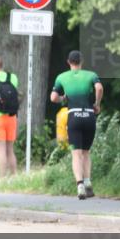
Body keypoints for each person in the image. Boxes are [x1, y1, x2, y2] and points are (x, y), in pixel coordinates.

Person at [50, 50, 104, 200]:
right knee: (86, 152)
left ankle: (80, 185)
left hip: (73, 116)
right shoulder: (91, 75)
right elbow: (99, 88)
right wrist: (97, 104)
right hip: (89, 115)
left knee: (76, 153)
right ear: (82, 61)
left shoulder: (61, 77)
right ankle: (88, 183)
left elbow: (53, 97)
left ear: (68, 62)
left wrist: (64, 97)